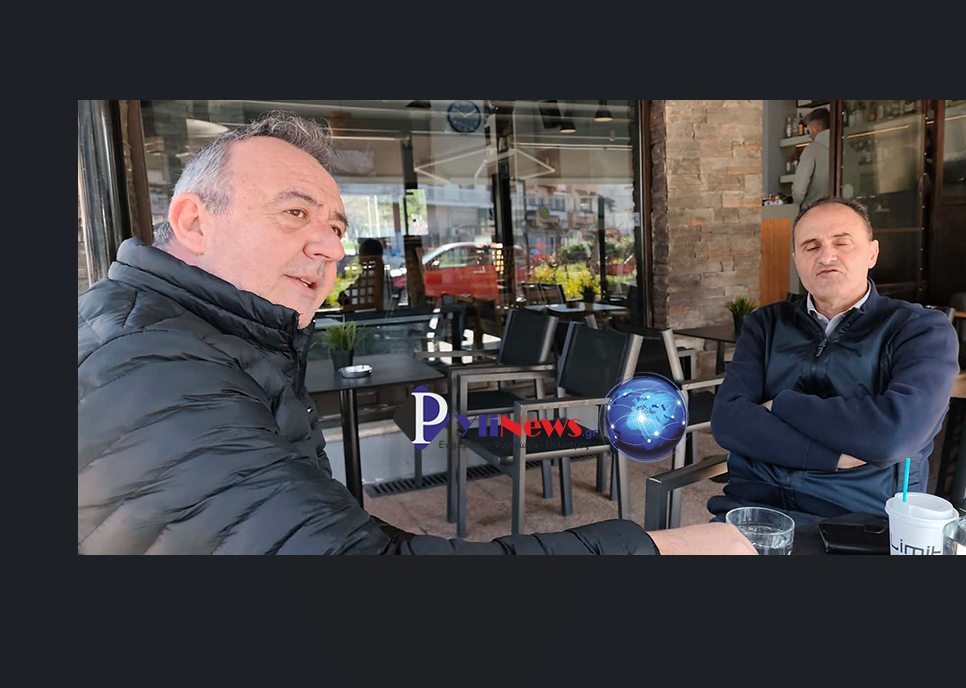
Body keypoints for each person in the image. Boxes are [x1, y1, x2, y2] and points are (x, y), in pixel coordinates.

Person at [77, 111, 755, 555]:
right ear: (194, 222)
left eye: (336, 227)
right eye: (295, 213)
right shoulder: (153, 369)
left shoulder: (169, 336)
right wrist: (653, 549)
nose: (330, 247)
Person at [708, 197, 959, 526]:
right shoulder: (766, 324)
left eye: (842, 242)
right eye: (811, 247)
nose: (826, 256)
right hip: (751, 511)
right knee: (643, 545)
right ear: (797, 261)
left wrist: (781, 405)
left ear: (872, 253)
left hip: (858, 523)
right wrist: (832, 457)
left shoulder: (919, 329)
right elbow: (728, 421)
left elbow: (891, 435)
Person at [791, 108, 831, 211]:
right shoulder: (847, 149)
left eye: (809, 130)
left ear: (816, 127)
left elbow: (798, 190)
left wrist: (797, 205)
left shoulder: (811, 150)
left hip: (814, 211)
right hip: (842, 212)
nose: (809, 136)